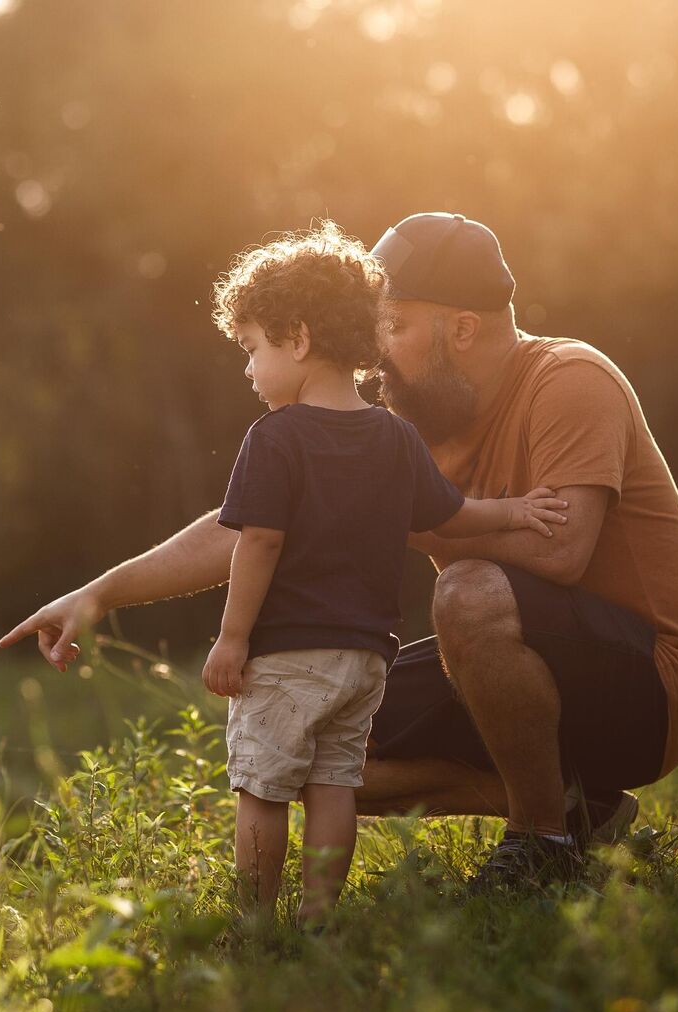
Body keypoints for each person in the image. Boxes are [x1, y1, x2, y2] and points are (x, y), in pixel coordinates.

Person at [0, 212, 678, 891]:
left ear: (463, 330)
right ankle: (579, 807)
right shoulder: (410, 427)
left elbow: (565, 553)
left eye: (396, 327)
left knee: (466, 591)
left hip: (654, 687)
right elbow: (250, 522)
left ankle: (543, 842)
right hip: (511, 663)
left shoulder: (569, 380)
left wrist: (395, 521)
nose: (375, 351)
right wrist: (99, 593)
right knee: (317, 737)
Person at [196, 223, 566, 923]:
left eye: (253, 349)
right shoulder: (393, 436)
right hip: (365, 659)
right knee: (335, 785)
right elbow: (453, 515)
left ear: (298, 339)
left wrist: (233, 637)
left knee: (264, 788)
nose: (249, 370)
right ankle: (319, 918)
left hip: (285, 653)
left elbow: (260, 543)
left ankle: (253, 921)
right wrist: (517, 511)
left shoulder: (274, 438)